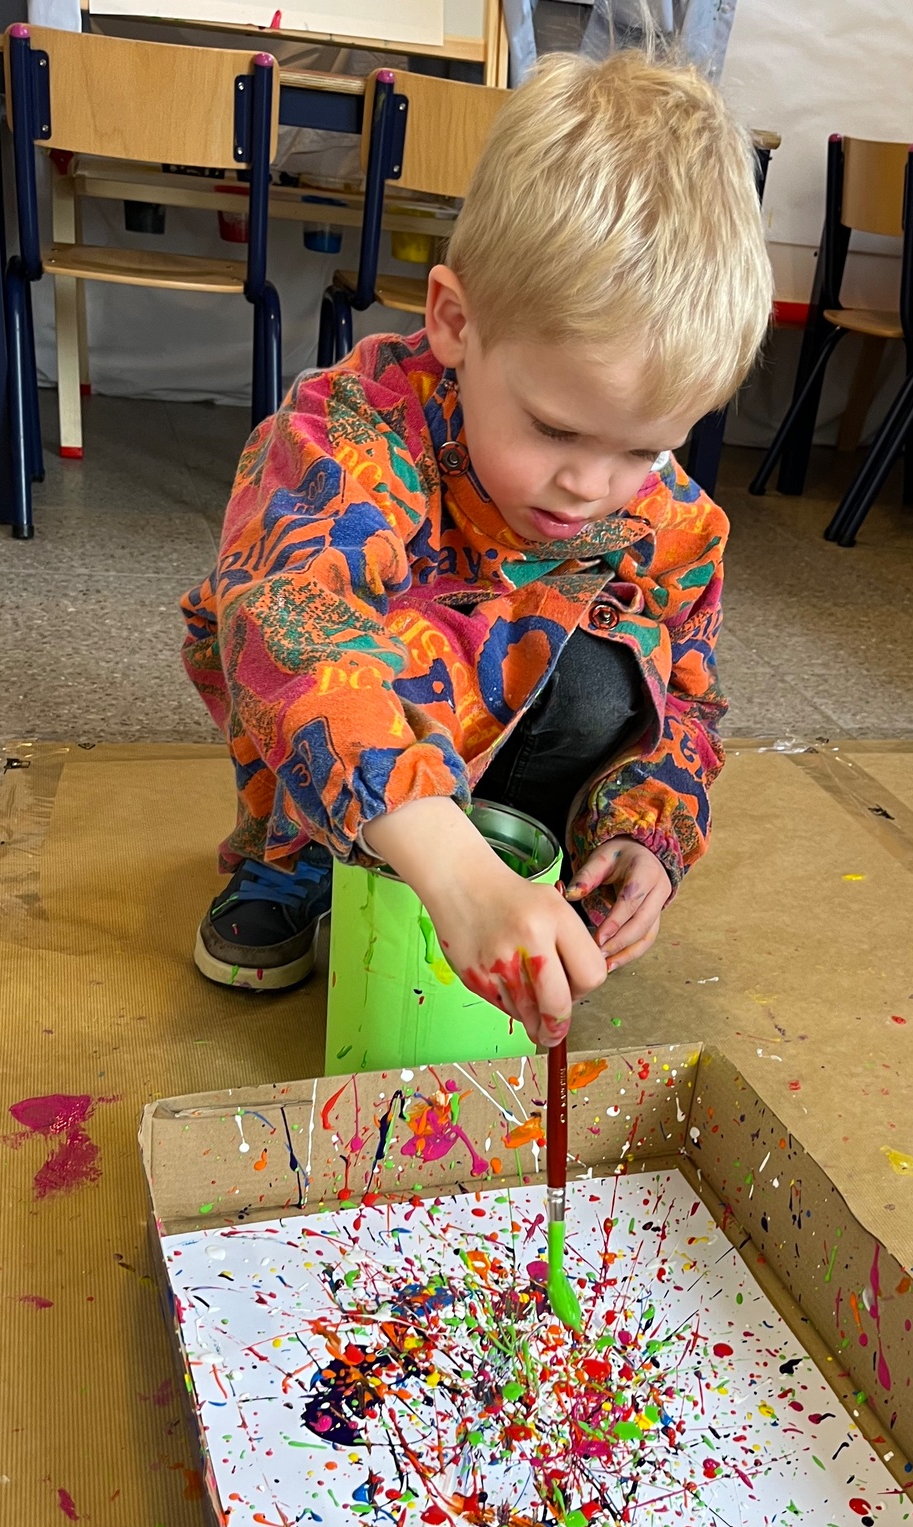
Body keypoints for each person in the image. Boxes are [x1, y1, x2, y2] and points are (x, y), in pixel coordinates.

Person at [181, 49, 772, 1049]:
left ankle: (513, 860)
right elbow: (291, 630)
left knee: (615, 674)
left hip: (503, 748)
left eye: (644, 448)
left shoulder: (668, 519)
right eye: (554, 429)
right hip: (343, 730)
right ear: (456, 322)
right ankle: (304, 857)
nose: (590, 485)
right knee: (341, 654)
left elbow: (690, 706)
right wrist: (452, 870)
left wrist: (648, 836)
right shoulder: (350, 430)